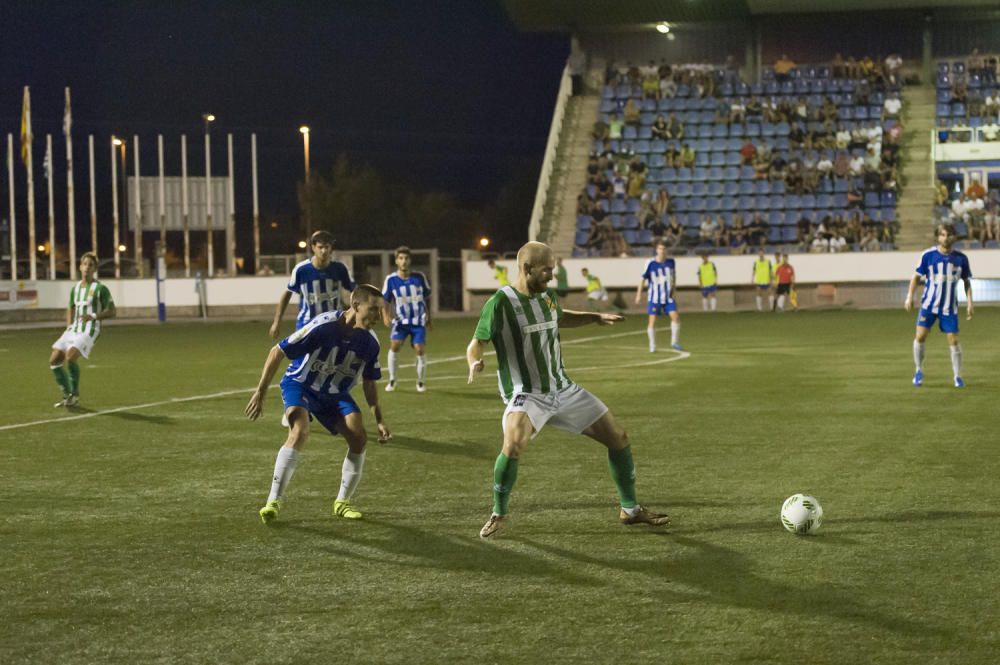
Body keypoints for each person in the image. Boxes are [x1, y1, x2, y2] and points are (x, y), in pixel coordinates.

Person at [467, 241, 670, 539]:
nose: (552, 275)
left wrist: (594, 317)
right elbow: (476, 342)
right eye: (547, 269)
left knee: (619, 437)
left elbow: (559, 316)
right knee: (512, 443)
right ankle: (499, 512)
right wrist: (474, 361)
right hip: (528, 393)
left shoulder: (546, 296)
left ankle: (630, 509)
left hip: (564, 389)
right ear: (527, 269)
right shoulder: (500, 303)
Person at [247, 284, 392, 524]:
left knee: (358, 437)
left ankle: (342, 502)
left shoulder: (370, 343)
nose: (379, 316)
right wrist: (260, 392)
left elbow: (369, 383)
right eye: (374, 310)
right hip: (301, 385)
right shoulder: (323, 326)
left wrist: (379, 420)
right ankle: (273, 501)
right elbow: (277, 351)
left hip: (335, 393)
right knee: (300, 430)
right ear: (356, 306)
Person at [904, 224, 973, 388]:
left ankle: (957, 376)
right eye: (942, 235)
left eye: (949, 235)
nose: (946, 238)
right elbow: (915, 277)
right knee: (920, 337)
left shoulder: (961, 258)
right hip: (928, 305)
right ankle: (918, 370)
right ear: (938, 237)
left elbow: (966, 282)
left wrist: (970, 303)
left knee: (953, 340)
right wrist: (910, 297)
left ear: (954, 237)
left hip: (949, 308)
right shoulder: (928, 255)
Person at [49, 252, 116, 407]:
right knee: (54, 360)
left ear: (95, 269)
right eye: (84, 264)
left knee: (70, 356)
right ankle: (67, 396)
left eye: (90, 265)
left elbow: (112, 311)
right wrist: (69, 325)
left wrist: (93, 316)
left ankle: (74, 395)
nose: (87, 267)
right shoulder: (76, 288)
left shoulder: (100, 289)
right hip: (74, 329)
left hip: (90, 329)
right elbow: (71, 307)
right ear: (80, 267)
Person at [269, 230, 355, 340]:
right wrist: (277, 322)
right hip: (307, 324)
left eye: (327, 247)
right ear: (313, 248)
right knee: (304, 357)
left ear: (331, 248)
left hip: (334, 323)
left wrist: (353, 313)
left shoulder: (340, 268)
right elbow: (287, 294)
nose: (323, 251)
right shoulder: (301, 269)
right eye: (320, 247)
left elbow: (355, 291)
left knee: (335, 356)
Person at [381, 246, 432, 393]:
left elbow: (426, 298)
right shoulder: (391, 280)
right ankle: (392, 380)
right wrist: (386, 316)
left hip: (418, 321)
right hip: (400, 321)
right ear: (396, 261)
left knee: (419, 349)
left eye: (406, 258)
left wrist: (429, 317)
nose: (404, 261)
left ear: (410, 260)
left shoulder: (419, 277)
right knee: (395, 346)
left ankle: (421, 382)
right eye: (401, 258)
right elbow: (386, 299)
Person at [635, 240, 681, 352]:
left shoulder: (671, 262)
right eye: (660, 249)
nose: (662, 251)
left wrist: (674, 290)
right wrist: (638, 294)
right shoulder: (650, 263)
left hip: (668, 297)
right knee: (652, 321)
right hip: (654, 298)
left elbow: (673, 277)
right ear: (656, 250)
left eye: (664, 249)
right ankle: (652, 345)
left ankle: (674, 342)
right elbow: (642, 279)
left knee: (676, 318)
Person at [751, 248, 774, 312]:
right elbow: (754, 271)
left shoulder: (768, 261)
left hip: (767, 280)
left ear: (764, 253)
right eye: (759, 253)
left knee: (770, 293)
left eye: (762, 253)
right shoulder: (756, 262)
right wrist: (752, 279)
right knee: (758, 294)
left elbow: (771, 270)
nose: (761, 254)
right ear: (758, 254)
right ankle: (759, 309)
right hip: (759, 281)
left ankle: (771, 308)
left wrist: (772, 279)